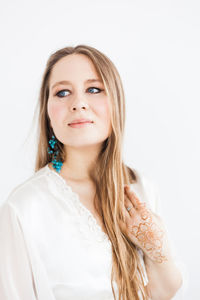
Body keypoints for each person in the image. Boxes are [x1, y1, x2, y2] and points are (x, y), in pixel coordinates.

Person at [0, 45, 184, 300]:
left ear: (116, 101)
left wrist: (158, 249)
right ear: (47, 114)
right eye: (62, 92)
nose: (78, 104)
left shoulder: (141, 188)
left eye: (94, 89)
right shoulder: (24, 207)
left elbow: (162, 292)